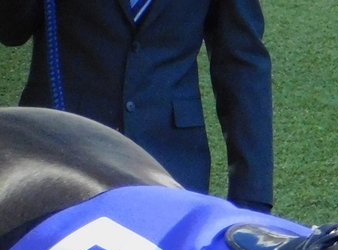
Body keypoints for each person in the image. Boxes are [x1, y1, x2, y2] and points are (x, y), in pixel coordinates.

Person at [0, 0, 274, 212]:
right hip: (61, 156)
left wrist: (252, 197)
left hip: (171, 163)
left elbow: (241, 63)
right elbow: (11, 30)